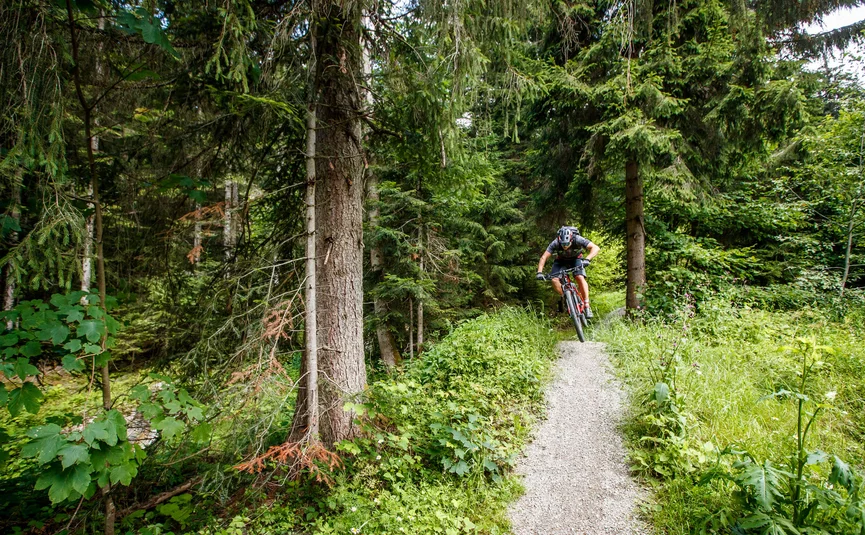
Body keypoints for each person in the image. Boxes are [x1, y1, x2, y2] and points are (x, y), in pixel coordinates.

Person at [536, 226, 600, 318]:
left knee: (579, 277)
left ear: (571, 240)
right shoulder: (555, 243)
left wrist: (587, 259)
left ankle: (586, 305)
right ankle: (566, 297)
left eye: (567, 244)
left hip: (576, 259)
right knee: (554, 280)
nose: (565, 247)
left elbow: (595, 248)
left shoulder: (577, 239)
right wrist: (539, 272)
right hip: (561, 261)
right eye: (563, 245)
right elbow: (544, 257)